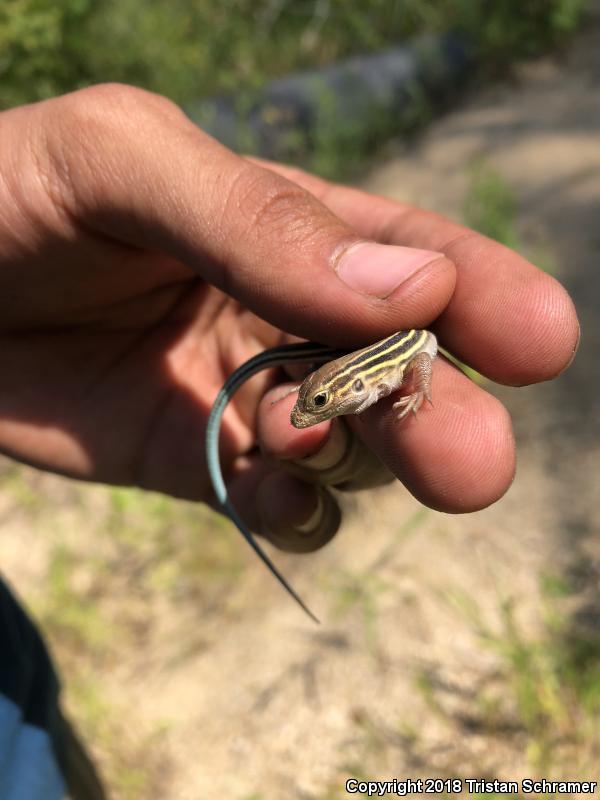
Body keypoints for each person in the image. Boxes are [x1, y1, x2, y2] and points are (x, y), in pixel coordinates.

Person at [0, 84, 579, 798]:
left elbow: (422, 341)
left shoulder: (379, 373)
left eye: (325, 400)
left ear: (346, 385)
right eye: (321, 399)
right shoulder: (347, 386)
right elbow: (330, 390)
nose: (314, 413)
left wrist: (420, 389)